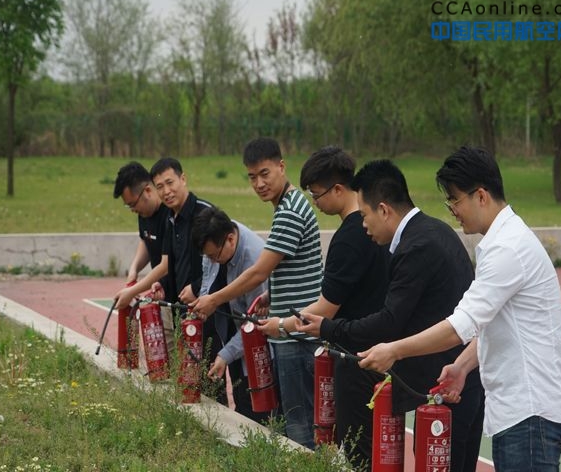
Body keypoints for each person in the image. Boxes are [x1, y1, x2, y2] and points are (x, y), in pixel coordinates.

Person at [355, 147, 561, 472]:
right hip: (523, 413)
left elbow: (460, 325)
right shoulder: (502, 242)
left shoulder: (507, 249)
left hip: (530, 414)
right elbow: (488, 323)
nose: (452, 210)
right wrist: (461, 367)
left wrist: (395, 350)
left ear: (482, 196)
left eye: (456, 200)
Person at [297, 159, 485, 472]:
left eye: (365, 214)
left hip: (453, 382)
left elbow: (390, 321)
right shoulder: (432, 231)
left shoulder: (417, 247)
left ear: (384, 210)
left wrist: (328, 328)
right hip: (456, 378)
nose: (363, 224)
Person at [257, 146, 387, 467]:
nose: (315, 203)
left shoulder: (350, 236)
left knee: (355, 449)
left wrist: (282, 326)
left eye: (317, 195)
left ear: (339, 189)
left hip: (354, 357)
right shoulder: (376, 229)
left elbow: (324, 310)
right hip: (378, 350)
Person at [190, 137, 323, 449]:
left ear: (281, 167)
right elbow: (285, 270)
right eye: (252, 177)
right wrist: (272, 297)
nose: (259, 183)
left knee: (300, 428)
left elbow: (260, 271)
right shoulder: (285, 208)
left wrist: (214, 298)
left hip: (297, 337)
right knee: (298, 424)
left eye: (265, 174)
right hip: (292, 329)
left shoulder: (290, 211)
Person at [114, 158, 223, 374]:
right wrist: (161, 285)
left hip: (207, 309)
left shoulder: (205, 214)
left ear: (183, 179)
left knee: (209, 381)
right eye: (160, 186)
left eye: (170, 183)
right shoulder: (171, 219)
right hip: (179, 307)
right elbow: (168, 263)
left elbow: (221, 262)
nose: (166, 191)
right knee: (185, 378)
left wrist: (196, 288)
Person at [191, 206, 273, 423]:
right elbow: (208, 282)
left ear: (230, 239)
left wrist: (225, 355)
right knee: (239, 398)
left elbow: (255, 324)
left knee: (256, 415)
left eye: (214, 256)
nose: (211, 260)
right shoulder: (217, 239)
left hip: (257, 350)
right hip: (232, 333)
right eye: (207, 256)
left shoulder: (254, 261)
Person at [112, 161, 171, 300]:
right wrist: (134, 270)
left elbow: (165, 266)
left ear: (148, 191)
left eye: (133, 204)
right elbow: (146, 239)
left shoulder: (170, 215)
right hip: (160, 290)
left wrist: (132, 291)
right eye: (128, 206)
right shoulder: (144, 212)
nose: (133, 210)